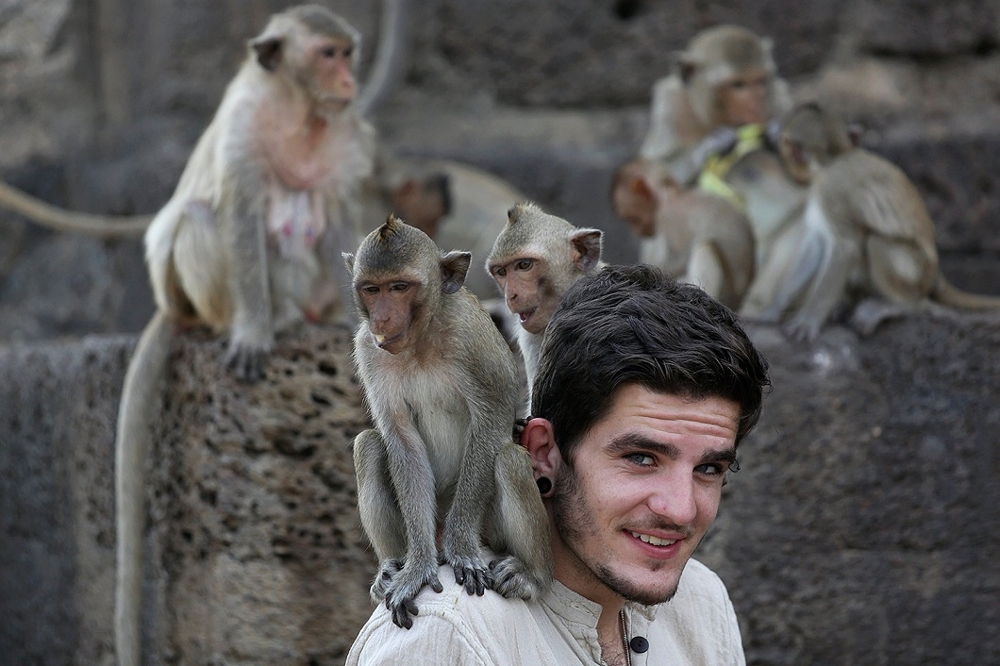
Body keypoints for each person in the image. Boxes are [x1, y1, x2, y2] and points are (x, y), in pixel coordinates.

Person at [347, 264, 771, 665]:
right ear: (543, 454)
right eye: (641, 458)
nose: (680, 509)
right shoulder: (449, 634)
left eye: (709, 469)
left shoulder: (701, 603)